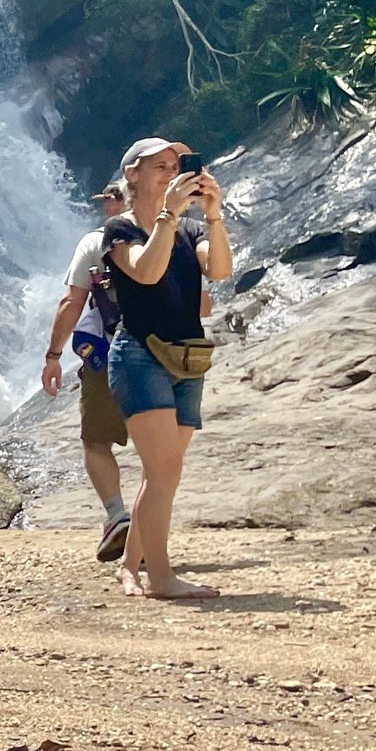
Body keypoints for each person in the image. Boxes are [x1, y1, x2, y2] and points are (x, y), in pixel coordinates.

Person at [103, 137, 233, 599]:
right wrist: (169, 215)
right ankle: (162, 578)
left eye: (176, 165)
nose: (171, 172)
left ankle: (129, 567)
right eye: (160, 166)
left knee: (163, 474)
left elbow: (218, 271)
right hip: (139, 357)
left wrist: (213, 216)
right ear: (133, 174)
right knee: (164, 471)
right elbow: (147, 271)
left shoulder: (190, 230)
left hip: (187, 358)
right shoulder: (119, 230)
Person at [42, 180, 136, 563]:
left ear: (118, 200)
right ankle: (150, 522)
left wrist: (53, 355)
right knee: (158, 447)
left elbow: (71, 302)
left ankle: (117, 514)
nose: (105, 207)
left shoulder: (94, 244)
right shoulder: (171, 234)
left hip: (112, 354)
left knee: (96, 441)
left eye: (109, 199)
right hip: (165, 353)